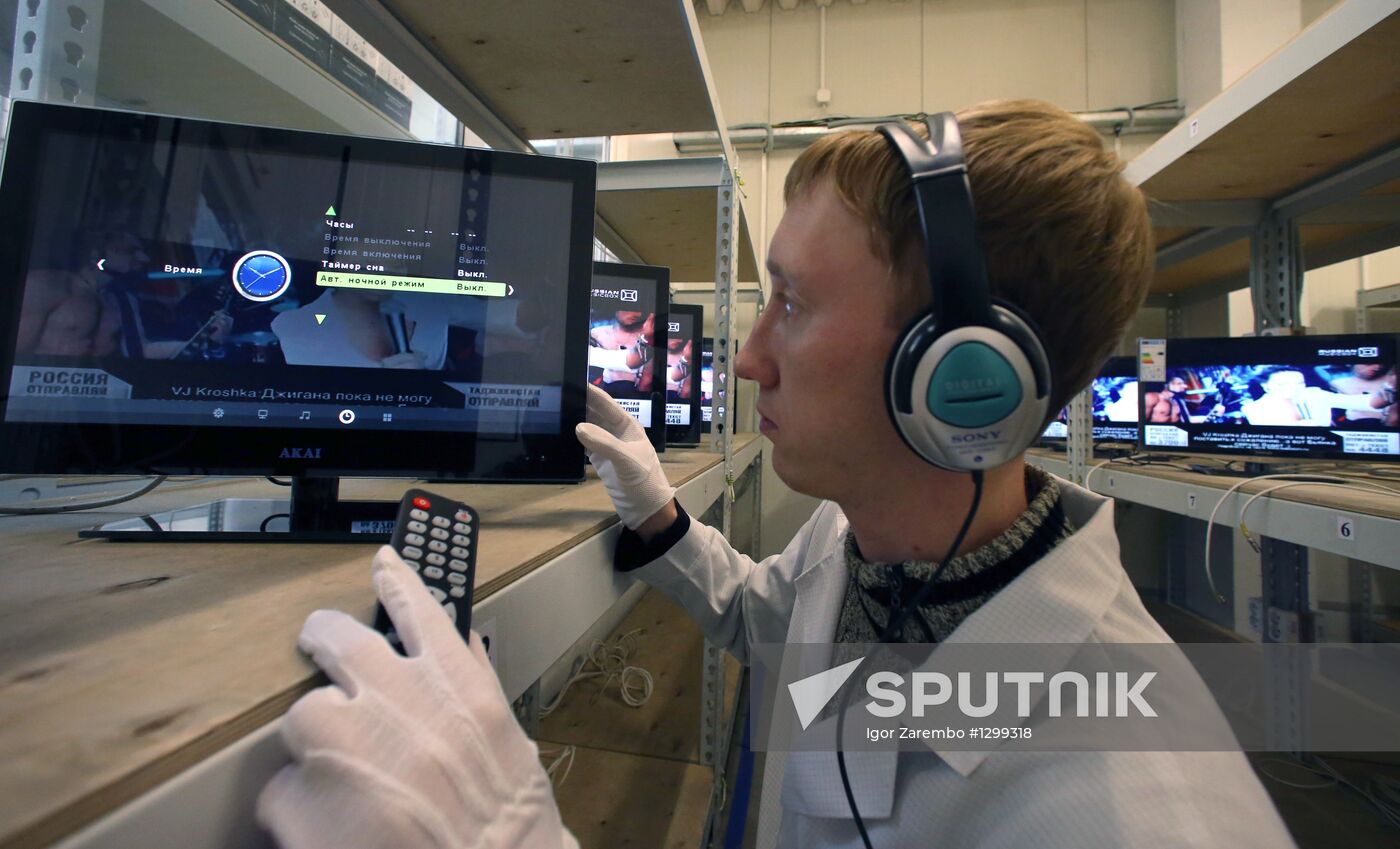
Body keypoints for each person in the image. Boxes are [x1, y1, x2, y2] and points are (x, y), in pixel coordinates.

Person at [257, 101, 1295, 848]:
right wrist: (658, 517)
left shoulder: (1133, 805)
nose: (747, 361)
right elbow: (770, 620)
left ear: (955, 376)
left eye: (791, 304)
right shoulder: (864, 546)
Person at [1241, 366, 1389, 427]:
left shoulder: (1313, 394)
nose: (1293, 388)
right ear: (1265, 386)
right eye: (1283, 384)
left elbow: (1360, 402)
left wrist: (1390, 394)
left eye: (1299, 383)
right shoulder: (1252, 409)